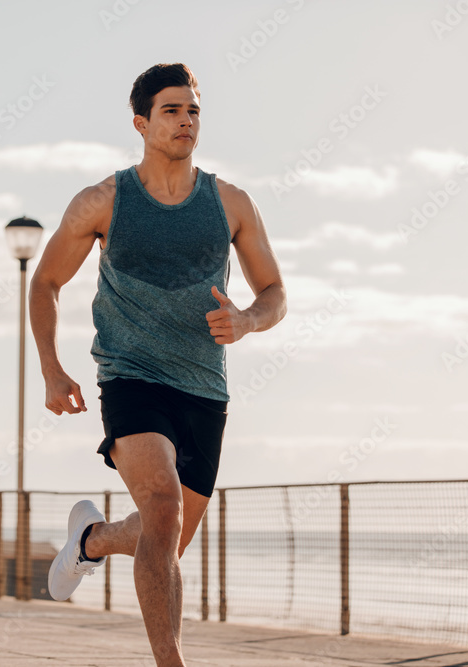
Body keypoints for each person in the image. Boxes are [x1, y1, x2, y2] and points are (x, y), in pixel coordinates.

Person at [28, 62, 286, 667]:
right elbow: (45, 283)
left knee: (164, 535)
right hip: (131, 376)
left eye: (193, 109)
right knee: (164, 507)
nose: (185, 120)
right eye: (171, 110)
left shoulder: (231, 203)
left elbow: (274, 290)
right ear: (141, 122)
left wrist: (248, 320)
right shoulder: (103, 201)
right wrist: (50, 367)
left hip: (204, 388)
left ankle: (91, 540)